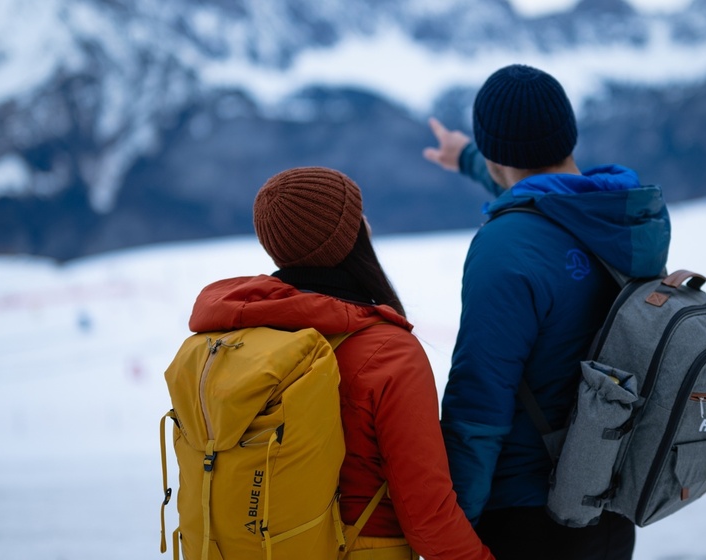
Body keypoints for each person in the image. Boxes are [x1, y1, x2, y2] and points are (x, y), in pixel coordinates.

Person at [423, 64, 672, 559]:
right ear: (567, 134)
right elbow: (546, 197)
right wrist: (471, 159)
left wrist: (454, 531)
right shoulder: (625, 217)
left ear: (496, 151)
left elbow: (479, 405)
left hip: (525, 522)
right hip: (608, 507)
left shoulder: (504, 248)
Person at [187, 166, 494, 560]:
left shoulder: (230, 337)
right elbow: (428, 517)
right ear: (351, 236)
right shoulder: (388, 352)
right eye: (357, 215)